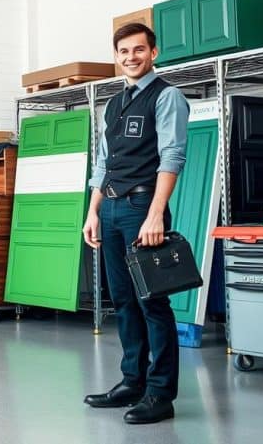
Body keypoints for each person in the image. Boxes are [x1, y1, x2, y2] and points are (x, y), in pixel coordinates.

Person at [81, 22, 189, 425]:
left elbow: (172, 156)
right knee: (123, 301)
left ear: (153, 52)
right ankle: (133, 381)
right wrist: (93, 212)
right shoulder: (112, 104)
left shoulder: (167, 97)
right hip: (109, 210)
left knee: (152, 302)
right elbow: (103, 164)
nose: (131, 57)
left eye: (139, 50)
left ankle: (161, 394)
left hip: (143, 208)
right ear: (117, 56)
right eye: (124, 51)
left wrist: (157, 212)